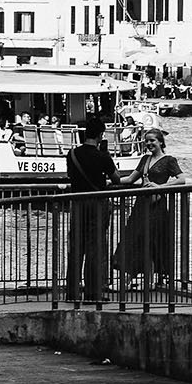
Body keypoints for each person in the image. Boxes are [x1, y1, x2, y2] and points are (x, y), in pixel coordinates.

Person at [111, 130, 182, 285]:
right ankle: (136, 277)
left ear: (161, 142)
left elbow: (181, 179)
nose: (149, 144)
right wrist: (111, 181)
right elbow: (130, 179)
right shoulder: (145, 159)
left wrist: (161, 186)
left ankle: (148, 279)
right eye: (147, 141)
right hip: (141, 204)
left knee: (152, 239)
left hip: (157, 205)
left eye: (152, 141)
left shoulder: (169, 160)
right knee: (134, 238)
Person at [65, 115, 120, 302]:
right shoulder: (103, 157)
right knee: (94, 248)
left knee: (76, 247)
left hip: (77, 203)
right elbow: (116, 179)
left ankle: (72, 292)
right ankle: (92, 292)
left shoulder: (72, 154)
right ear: (100, 135)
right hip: (97, 204)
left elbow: (70, 175)